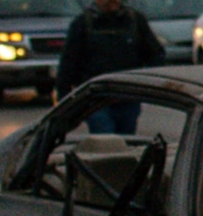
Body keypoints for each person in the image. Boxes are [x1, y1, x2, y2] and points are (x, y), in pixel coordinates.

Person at [56, 0, 165, 135]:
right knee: (106, 141)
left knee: (126, 142)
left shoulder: (134, 21)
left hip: (127, 97)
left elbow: (155, 54)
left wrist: (147, 81)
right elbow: (69, 62)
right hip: (96, 100)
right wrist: (65, 100)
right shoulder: (83, 24)